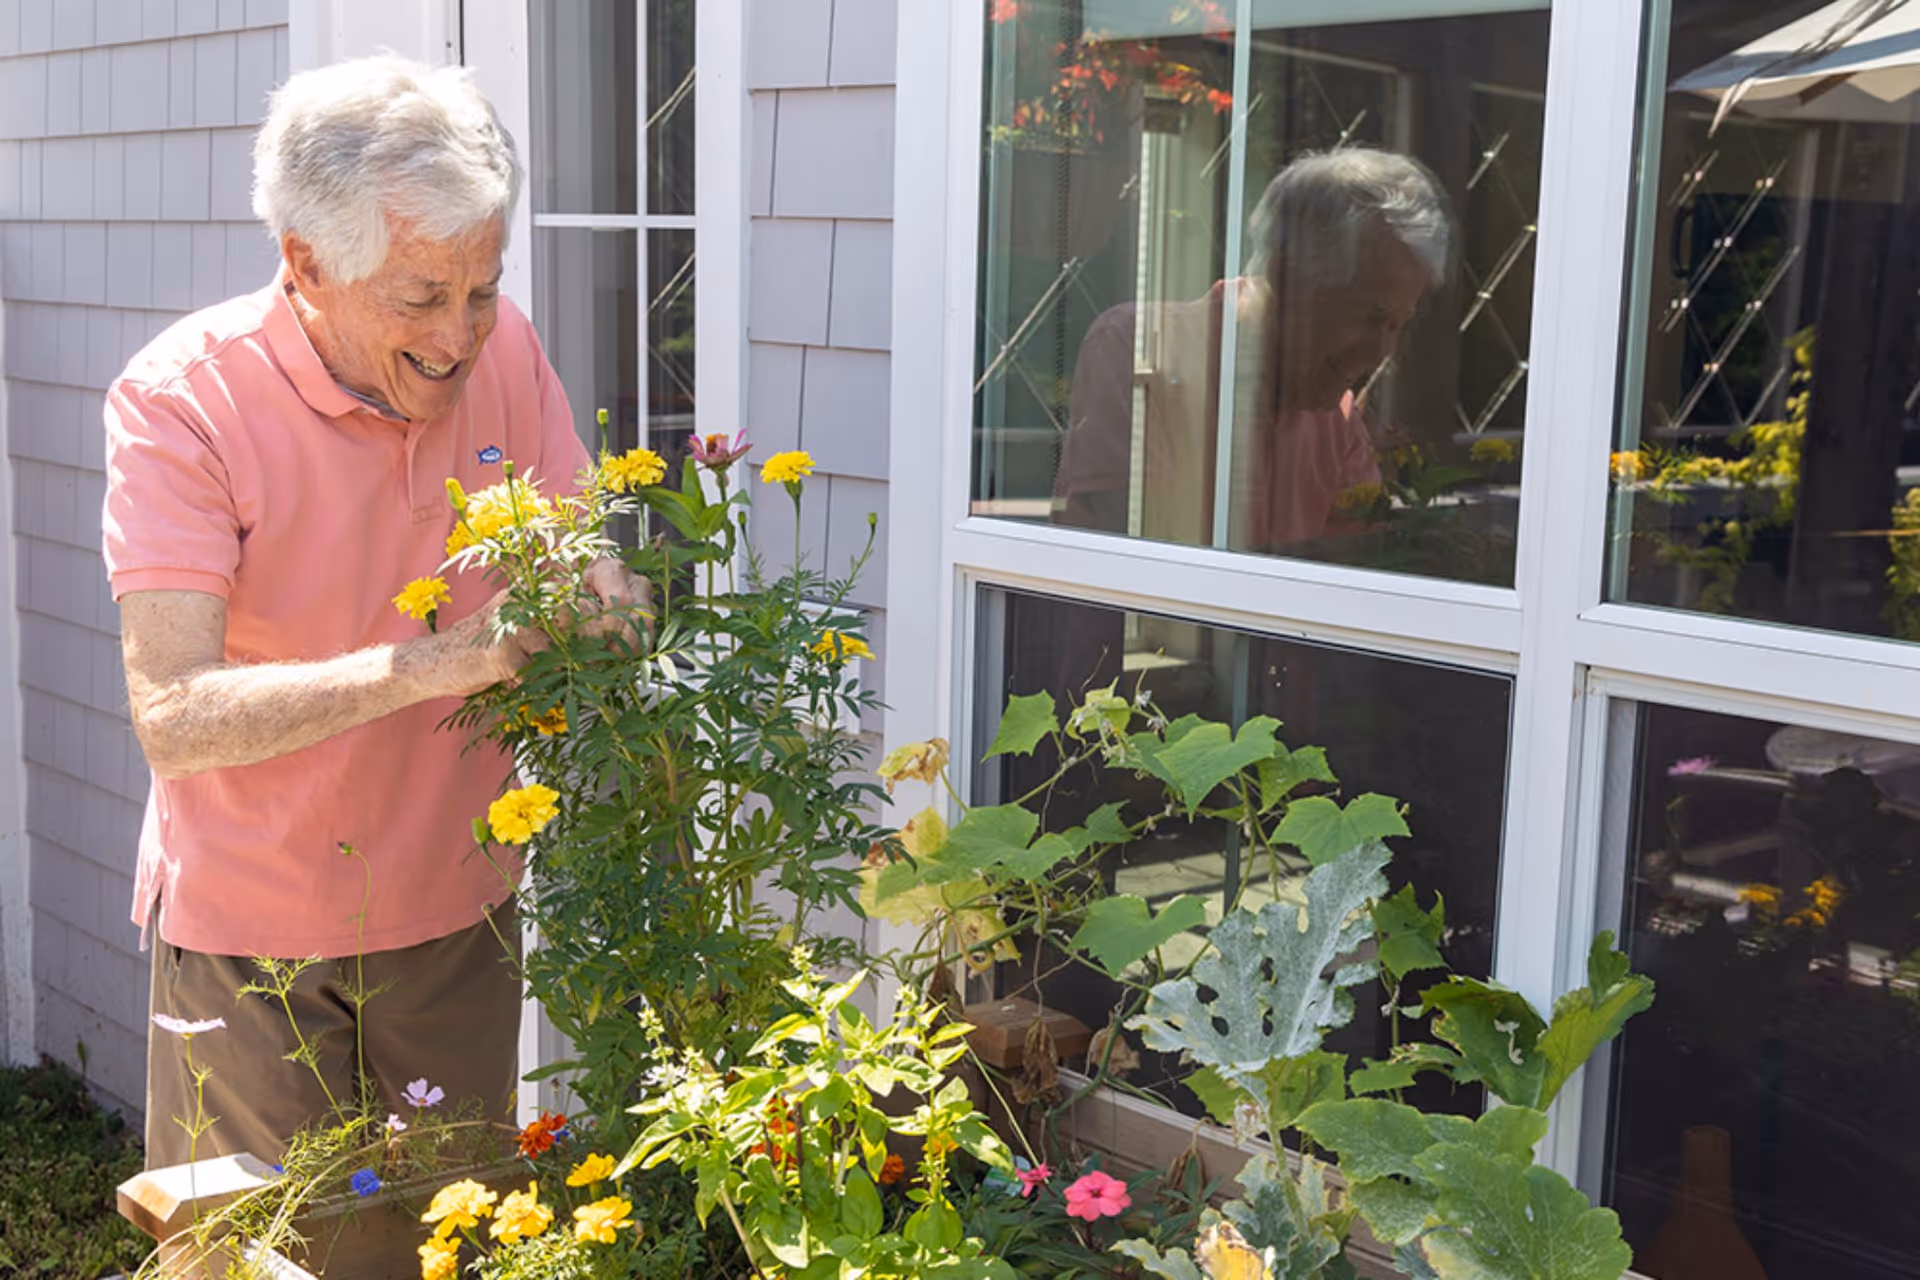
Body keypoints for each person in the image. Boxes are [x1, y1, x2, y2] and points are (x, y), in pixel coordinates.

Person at [103, 56, 645, 1168]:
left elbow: (582, 544)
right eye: (420, 298)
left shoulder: (511, 352)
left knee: (460, 1239)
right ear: (305, 261)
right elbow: (173, 712)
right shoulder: (182, 403)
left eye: (482, 288)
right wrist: (430, 663)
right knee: (263, 1249)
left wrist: (612, 598)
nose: (461, 336)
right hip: (254, 940)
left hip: (457, 912)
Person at [1052, 147, 1451, 555]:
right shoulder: (1138, 350)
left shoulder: (1338, 418)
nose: (1380, 354)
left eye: (1396, 326)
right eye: (1367, 317)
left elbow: (1352, 577)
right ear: (1288, 275)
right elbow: (1141, 574)